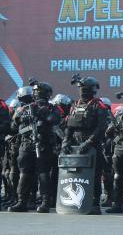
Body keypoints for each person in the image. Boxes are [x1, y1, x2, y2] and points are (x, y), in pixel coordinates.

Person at [8, 79, 61, 213]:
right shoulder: (25, 108)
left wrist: (41, 112)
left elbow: (53, 120)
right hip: (26, 145)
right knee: (24, 174)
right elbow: (13, 127)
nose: (36, 95)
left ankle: (45, 202)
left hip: (44, 145)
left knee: (43, 174)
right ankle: (22, 202)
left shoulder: (52, 108)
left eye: (37, 92)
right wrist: (20, 117)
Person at [61, 75, 107, 215]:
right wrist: (66, 141)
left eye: (85, 88)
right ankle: (77, 201)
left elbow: (101, 127)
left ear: (92, 89)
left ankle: (95, 203)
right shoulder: (75, 104)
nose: (82, 91)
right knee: (76, 174)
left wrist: (89, 142)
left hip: (92, 145)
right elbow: (69, 125)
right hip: (75, 145)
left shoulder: (98, 105)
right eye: (80, 88)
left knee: (94, 175)